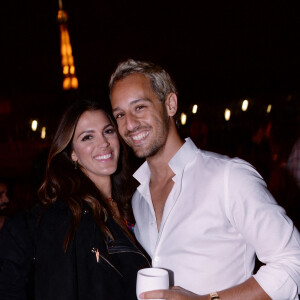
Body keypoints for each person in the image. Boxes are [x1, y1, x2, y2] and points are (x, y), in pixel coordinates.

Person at [109, 59, 300, 300]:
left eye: (139, 107)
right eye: (120, 114)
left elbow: (293, 262)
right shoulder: (139, 199)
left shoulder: (228, 177)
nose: (130, 124)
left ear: (170, 104)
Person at [0, 99, 150, 300]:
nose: (103, 143)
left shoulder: (135, 203)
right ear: (72, 153)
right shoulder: (68, 217)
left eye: (108, 131)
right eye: (87, 137)